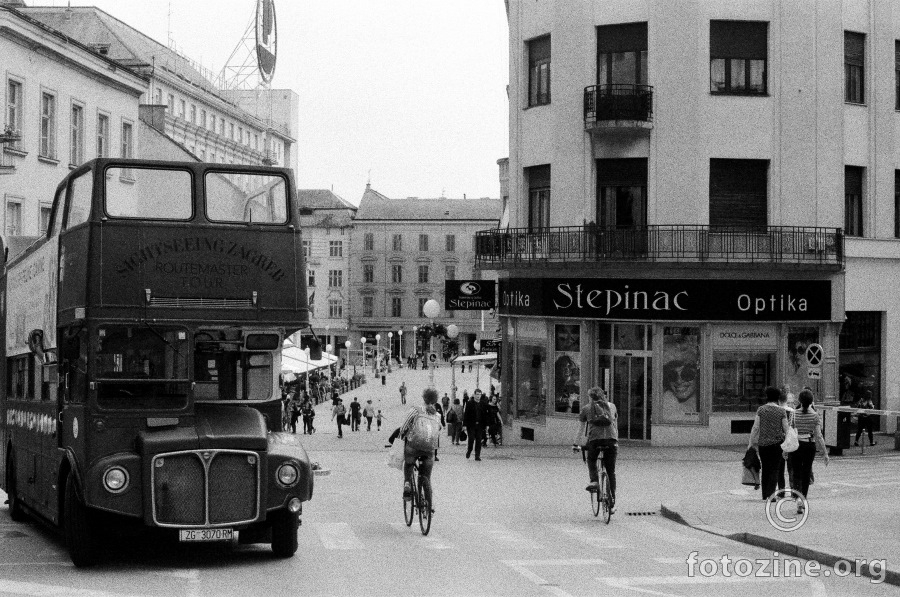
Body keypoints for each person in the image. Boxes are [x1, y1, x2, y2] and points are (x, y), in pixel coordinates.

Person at [789, 389, 829, 513]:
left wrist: (785, 449)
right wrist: (825, 453)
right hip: (809, 445)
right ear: (812, 401)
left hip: (796, 445)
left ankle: (798, 498)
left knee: (796, 473)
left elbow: (790, 431)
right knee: (806, 473)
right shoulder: (815, 415)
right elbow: (818, 435)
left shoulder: (794, 413)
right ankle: (803, 499)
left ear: (799, 401)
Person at [579, 386, 618, 512]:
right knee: (611, 471)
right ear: (603, 395)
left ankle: (594, 481)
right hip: (611, 440)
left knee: (591, 460)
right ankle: (612, 502)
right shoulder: (611, 406)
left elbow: (581, 429)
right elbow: (615, 424)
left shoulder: (586, 408)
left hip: (594, 441)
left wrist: (576, 444)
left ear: (590, 397)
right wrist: (616, 440)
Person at [399, 388, 441, 502]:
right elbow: (439, 430)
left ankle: (407, 482)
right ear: (436, 401)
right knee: (426, 476)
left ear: (424, 398)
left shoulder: (415, 410)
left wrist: (401, 437)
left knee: (409, 463)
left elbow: (403, 427)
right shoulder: (437, 415)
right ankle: (428, 504)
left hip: (414, 446)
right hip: (429, 449)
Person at [750, 386, 790, 501]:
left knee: (766, 468)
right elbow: (786, 429)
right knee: (775, 469)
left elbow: (756, 427)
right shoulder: (781, 411)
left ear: (767, 397)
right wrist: (787, 444)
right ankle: (771, 495)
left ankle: (765, 494)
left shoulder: (761, 410)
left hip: (763, 444)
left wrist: (751, 443)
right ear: (778, 398)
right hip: (777, 444)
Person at [463, 388, 485, 460]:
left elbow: (485, 415)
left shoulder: (482, 403)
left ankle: (477, 455)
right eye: (477, 394)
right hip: (471, 425)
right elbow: (466, 414)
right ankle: (469, 451)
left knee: (479, 440)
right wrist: (464, 425)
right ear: (474, 395)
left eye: (480, 395)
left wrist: (486, 425)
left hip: (480, 425)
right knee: (471, 439)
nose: (478, 396)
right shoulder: (469, 403)